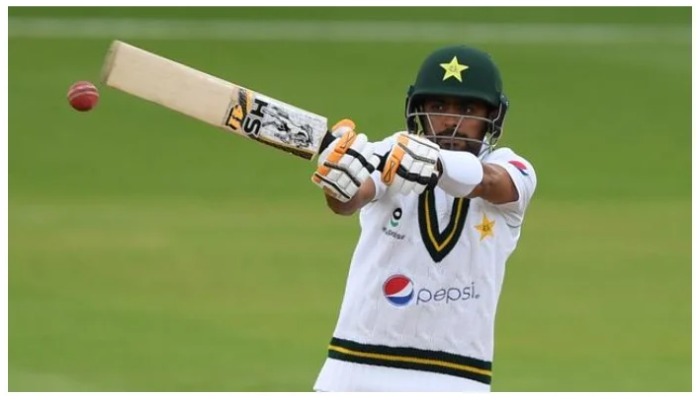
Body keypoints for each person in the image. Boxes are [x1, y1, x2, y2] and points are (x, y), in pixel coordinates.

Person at [310, 44, 537, 392]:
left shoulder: (514, 167)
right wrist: (338, 181)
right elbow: (350, 201)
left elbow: (491, 182)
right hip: (354, 370)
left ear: (493, 116)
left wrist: (435, 163)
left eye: (468, 108)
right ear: (418, 110)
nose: (451, 121)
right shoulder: (390, 151)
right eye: (439, 106)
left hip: (457, 378)